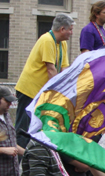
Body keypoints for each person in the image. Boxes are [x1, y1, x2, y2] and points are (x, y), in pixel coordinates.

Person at [15, 14, 74, 147]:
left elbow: (64, 68)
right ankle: (17, 158)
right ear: (62, 29)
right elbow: (51, 69)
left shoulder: (62, 43)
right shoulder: (47, 40)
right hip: (29, 90)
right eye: (70, 29)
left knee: (36, 127)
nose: (71, 33)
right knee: (23, 127)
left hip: (40, 93)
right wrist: (57, 92)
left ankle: (29, 157)